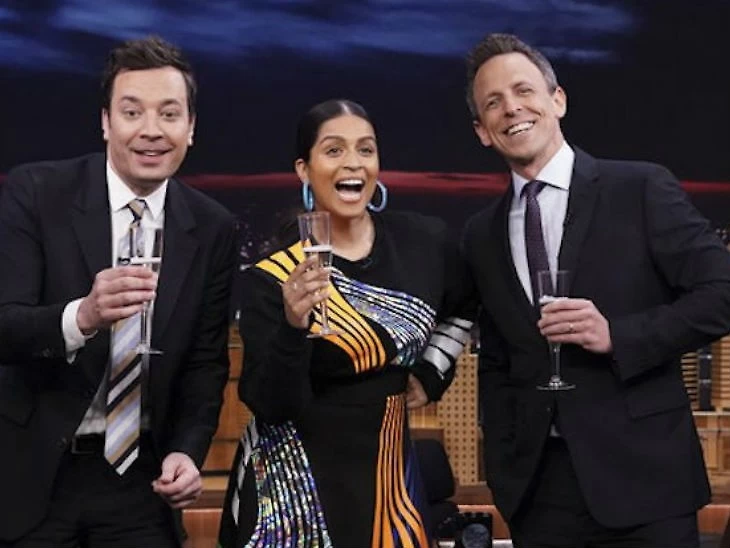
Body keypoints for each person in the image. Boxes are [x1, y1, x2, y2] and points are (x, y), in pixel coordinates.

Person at [460, 32, 730, 548]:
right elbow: (495, 359)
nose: (511, 108)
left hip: (646, 487)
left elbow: (722, 292)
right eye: (493, 103)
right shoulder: (480, 234)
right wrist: (505, 470)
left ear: (557, 100)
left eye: (524, 90)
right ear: (482, 131)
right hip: (539, 497)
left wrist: (618, 336)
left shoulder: (641, 189)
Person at [0, 36, 237, 547]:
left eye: (169, 114)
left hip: (140, 482)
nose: (151, 130)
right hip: (34, 475)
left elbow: (205, 362)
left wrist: (187, 451)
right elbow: (5, 325)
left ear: (191, 128)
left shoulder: (213, 227)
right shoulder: (36, 193)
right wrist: (82, 317)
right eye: (132, 112)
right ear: (106, 122)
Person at [218, 99, 473, 547]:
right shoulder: (273, 276)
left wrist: (432, 371)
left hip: (389, 478)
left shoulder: (424, 242)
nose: (353, 163)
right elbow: (270, 404)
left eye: (365, 149)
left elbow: (465, 306)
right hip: (291, 487)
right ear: (304, 169)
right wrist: (293, 326)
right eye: (334, 150)